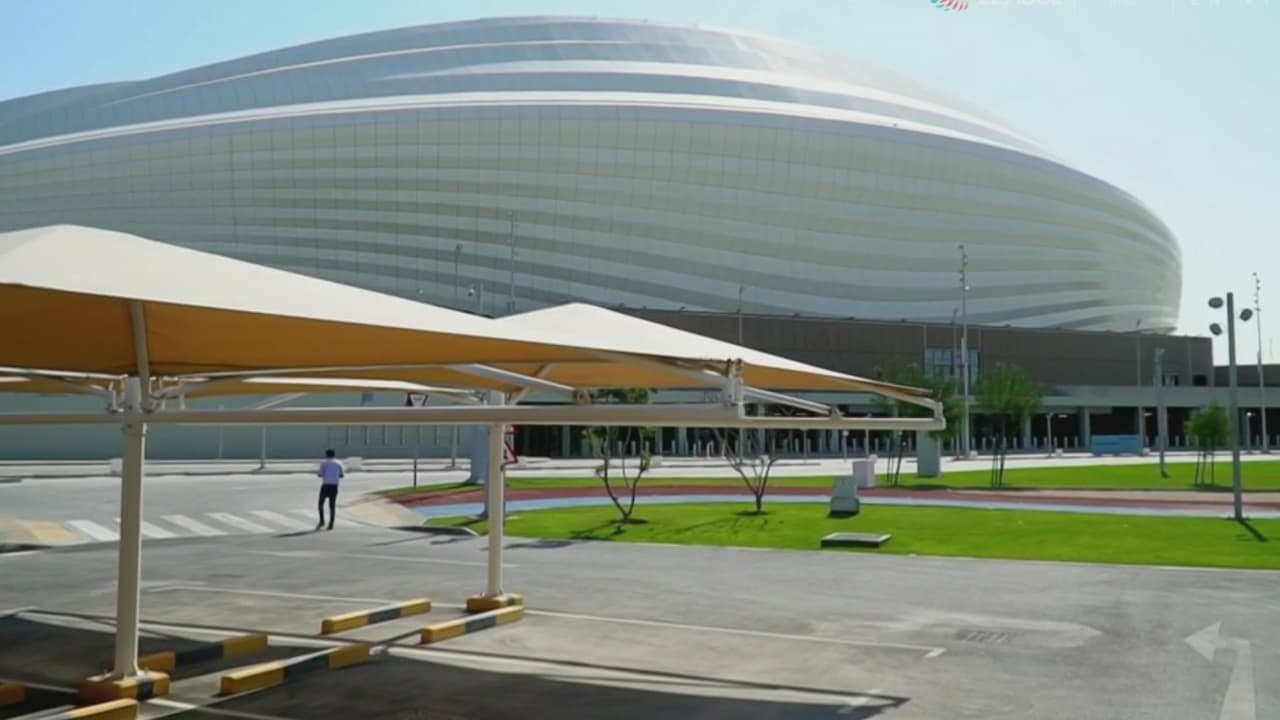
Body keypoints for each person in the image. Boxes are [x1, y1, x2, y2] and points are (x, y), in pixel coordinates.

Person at [316, 448, 344, 530]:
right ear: (334, 454)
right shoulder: (339, 463)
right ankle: (331, 524)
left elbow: (320, 474)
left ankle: (322, 521)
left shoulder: (324, 463)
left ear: (326, 455)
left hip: (326, 485)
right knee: (332, 505)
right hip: (334, 486)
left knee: (320, 503)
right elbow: (341, 475)